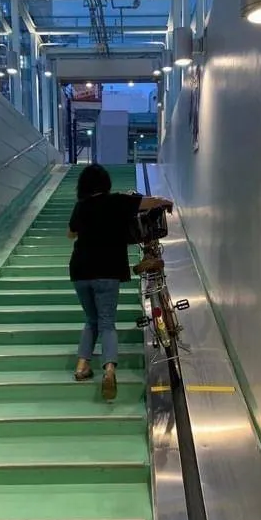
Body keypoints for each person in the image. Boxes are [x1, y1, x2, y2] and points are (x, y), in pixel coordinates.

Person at [67, 164, 173, 401]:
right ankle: (109, 370)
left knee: (91, 319)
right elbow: (149, 202)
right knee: (106, 322)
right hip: (107, 270)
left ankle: (82, 366)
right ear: (106, 183)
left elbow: (71, 233)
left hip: (80, 270)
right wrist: (165, 201)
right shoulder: (117, 201)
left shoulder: (81, 206)